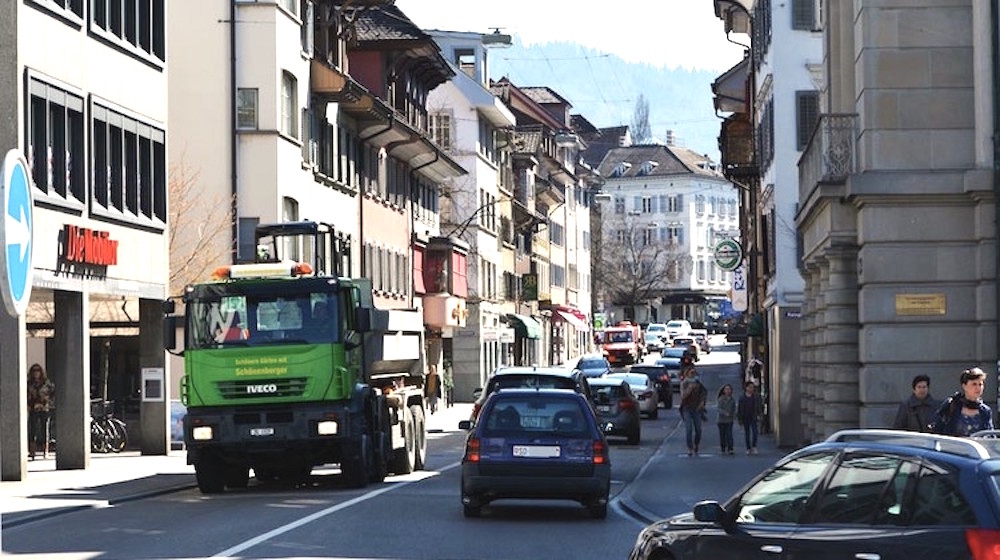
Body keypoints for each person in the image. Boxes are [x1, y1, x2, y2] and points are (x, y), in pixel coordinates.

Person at [931, 367, 994, 437]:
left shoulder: (985, 411)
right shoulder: (952, 405)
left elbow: (990, 436)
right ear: (964, 386)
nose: (978, 388)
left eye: (980, 384)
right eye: (974, 384)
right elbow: (937, 430)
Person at [27, 363, 55, 460]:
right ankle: (32, 451)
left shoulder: (46, 383)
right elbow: (27, 396)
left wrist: (47, 403)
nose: (36, 373)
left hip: (44, 408)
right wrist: (31, 405)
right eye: (34, 371)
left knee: (44, 430)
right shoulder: (29, 383)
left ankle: (45, 451)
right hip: (33, 409)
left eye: (38, 371)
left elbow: (52, 394)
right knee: (32, 429)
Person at [679, 366, 707, 456]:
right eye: (691, 373)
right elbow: (683, 396)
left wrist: (702, 402)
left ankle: (696, 444)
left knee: (698, 429)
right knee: (689, 428)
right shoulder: (684, 383)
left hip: (697, 408)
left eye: (694, 373)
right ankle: (690, 448)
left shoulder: (698, 383)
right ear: (687, 374)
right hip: (686, 408)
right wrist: (689, 389)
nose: (693, 375)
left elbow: (704, 392)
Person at [737, 381, 762, 454]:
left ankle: (754, 446)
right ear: (746, 388)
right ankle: (748, 448)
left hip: (753, 416)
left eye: (752, 387)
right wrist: (740, 419)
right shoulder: (742, 398)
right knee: (747, 433)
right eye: (750, 387)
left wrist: (760, 414)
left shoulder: (756, 396)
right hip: (745, 417)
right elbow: (740, 409)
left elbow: (759, 406)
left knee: (755, 432)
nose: (751, 389)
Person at [717, 383, 736, 455]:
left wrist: (734, 416)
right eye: (726, 389)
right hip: (721, 420)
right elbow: (719, 408)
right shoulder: (721, 399)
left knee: (729, 434)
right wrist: (724, 413)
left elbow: (734, 409)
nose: (728, 391)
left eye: (729, 389)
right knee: (722, 435)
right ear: (724, 391)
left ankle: (730, 448)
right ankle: (723, 447)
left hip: (729, 420)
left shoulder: (732, 400)